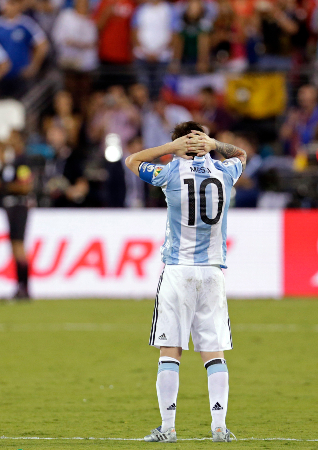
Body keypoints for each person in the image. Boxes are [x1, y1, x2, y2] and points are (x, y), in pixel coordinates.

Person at [124, 121, 246, 443]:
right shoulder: (225, 171)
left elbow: (132, 160)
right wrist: (214, 144)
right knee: (214, 352)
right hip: (213, 273)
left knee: (170, 350)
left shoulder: (170, 172)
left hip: (178, 272)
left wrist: (170, 149)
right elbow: (242, 155)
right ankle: (219, 427)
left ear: (179, 144)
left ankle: (168, 428)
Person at [0, 131, 34, 299]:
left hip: (19, 206)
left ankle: (24, 287)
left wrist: (2, 186)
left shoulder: (22, 162)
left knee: (19, 246)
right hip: (9, 207)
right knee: (15, 247)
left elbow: (25, 186)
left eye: (11, 138)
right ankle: (19, 287)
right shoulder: (12, 162)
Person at [0, 0, 49, 99]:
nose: (9, 7)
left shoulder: (27, 24)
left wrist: (34, 66)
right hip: (2, 77)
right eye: (7, 4)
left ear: (19, 6)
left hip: (21, 76)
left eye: (12, 4)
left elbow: (42, 44)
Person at [279, 85, 318, 155]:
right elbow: (283, 136)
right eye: (301, 98)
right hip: (294, 157)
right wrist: (291, 122)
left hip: (314, 156)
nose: (303, 98)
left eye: (306, 98)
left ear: (314, 99)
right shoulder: (295, 114)